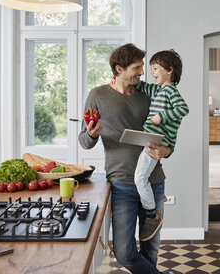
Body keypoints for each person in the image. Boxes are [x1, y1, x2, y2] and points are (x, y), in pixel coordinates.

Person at [78, 43, 173, 274]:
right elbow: (84, 140)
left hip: (153, 181)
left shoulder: (149, 93)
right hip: (121, 183)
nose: (142, 72)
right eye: (137, 68)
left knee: (151, 249)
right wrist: (92, 134)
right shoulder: (97, 95)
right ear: (119, 69)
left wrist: (166, 151)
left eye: (142, 67)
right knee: (124, 252)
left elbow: (169, 135)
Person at [134, 50, 189, 242]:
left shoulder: (171, 91)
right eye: (151, 69)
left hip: (159, 141)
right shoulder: (159, 90)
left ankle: (152, 215)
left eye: (155, 68)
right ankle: (158, 196)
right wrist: (123, 77)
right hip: (152, 138)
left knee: (140, 178)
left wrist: (161, 116)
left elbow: (183, 109)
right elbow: (144, 87)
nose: (152, 72)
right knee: (143, 176)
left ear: (170, 70)